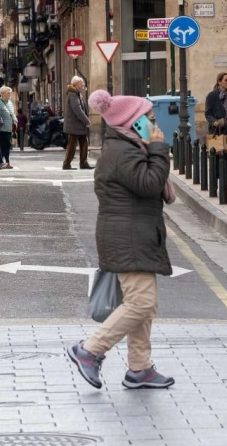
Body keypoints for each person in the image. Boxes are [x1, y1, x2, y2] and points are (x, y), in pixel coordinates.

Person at [67, 90, 174, 390]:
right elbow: (151, 183)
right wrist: (158, 147)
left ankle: (139, 368)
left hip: (135, 234)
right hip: (128, 236)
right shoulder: (123, 152)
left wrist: (152, 147)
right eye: (149, 118)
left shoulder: (128, 147)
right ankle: (89, 350)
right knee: (141, 302)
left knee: (143, 305)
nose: (154, 122)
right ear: (133, 123)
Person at [204, 72, 227, 182]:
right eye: (226, 80)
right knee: (220, 158)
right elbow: (208, 113)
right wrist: (214, 122)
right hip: (219, 131)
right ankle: (221, 183)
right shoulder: (212, 96)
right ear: (219, 82)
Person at [62, 76, 92, 170]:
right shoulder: (73, 94)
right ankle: (66, 164)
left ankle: (84, 162)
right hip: (74, 125)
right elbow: (77, 110)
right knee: (72, 145)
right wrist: (86, 120)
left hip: (79, 125)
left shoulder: (77, 94)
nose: (82, 84)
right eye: (81, 83)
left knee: (84, 142)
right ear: (76, 84)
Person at [0, 86, 16, 168]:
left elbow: (12, 113)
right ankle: (2, 163)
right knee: (4, 146)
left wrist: (15, 120)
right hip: (2, 129)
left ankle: (5, 163)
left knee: (7, 146)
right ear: (2, 94)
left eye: (10, 93)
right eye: (8, 93)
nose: (10, 94)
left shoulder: (10, 102)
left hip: (9, 128)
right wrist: (1, 122)